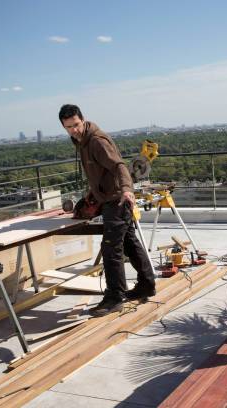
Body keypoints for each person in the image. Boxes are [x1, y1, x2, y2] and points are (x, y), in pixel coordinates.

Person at [59, 104, 156, 316]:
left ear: (83, 120)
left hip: (118, 200)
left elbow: (119, 166)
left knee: (111, 249)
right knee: (129, 242)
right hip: (108, 199)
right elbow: (99, 173)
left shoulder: (97, 141)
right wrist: (93, 194)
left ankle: (114, 297)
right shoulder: (80, 140)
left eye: (76, 125)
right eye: (68, 127)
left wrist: (127, 190)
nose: (73, 130)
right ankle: (146, 284)